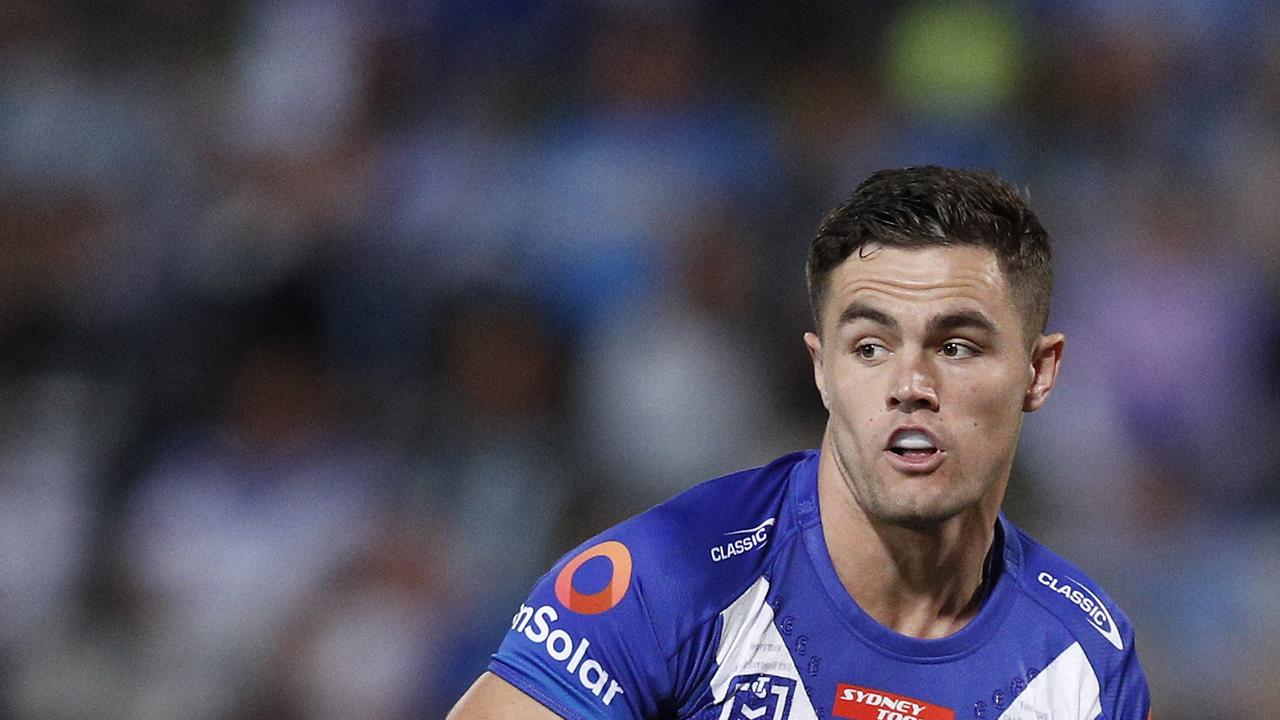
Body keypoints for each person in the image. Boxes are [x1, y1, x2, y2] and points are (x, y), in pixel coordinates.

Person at [447, 166, 1152, 720]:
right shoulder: (667, 579)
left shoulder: (1084, 665)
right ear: (822, 369)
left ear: (1039, 370)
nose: (910, 384)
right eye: (870, 347)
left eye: (958, 346)